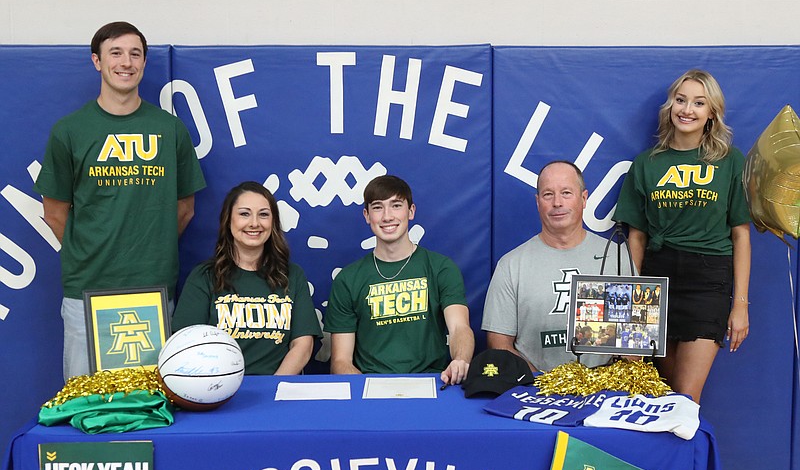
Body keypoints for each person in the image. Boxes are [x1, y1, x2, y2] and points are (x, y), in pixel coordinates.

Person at [35, 21, 206, 381]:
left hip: (153, 289)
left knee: (149, 399)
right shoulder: (70, 131)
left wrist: (147, 248)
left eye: (135, 54)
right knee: (85, 401)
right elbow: (54, 213)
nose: (126, 62)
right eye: (115, 52)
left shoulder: (170, 129)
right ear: (97, 61)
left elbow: (185, 208)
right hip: (87, 290)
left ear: (144, 63)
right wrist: (93, 252)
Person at [614, 69, 751, 403]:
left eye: (699, 103)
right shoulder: (646, 164)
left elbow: (741, 235)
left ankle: (692, 456)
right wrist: (633, 299)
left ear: (711, 113)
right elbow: (636, 238)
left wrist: (741, 305)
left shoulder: (730, 161)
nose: (687, 109)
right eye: (681, 100)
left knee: (686, 398)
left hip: (708, 280)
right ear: (670, 106)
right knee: (663, 395)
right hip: (656, 279)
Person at [482, 160, 632, 372]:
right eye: (548, 194)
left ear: (584, 198)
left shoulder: (617, 257)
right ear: (537, 202)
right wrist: (541, 383)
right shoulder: (511, 265)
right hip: (535, 393)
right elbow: (499, 344)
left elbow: (633, 345)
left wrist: (605, 384)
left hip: (603, 391)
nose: (557, 202)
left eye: (566, 193)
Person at [324, 175, 474, 385]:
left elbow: (459, 327)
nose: (387, 216)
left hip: (431, 383)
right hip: (371, 386)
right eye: (378, 207)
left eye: (396, 205)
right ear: (367, 215)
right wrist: (368, 391)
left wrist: (460, 360)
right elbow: (340, 361)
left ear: (410, 211)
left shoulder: (441, 268)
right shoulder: (348, 279)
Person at [172, 182, 320, 374]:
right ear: (228, 220)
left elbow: (303, 345)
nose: (254, 223)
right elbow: (187, 343)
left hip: (277, 388)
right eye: (244, 213)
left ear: (273, 222)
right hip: (217, 389)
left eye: (264, 214)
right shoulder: (204, 276)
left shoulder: (291, 275)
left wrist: (274, 387)